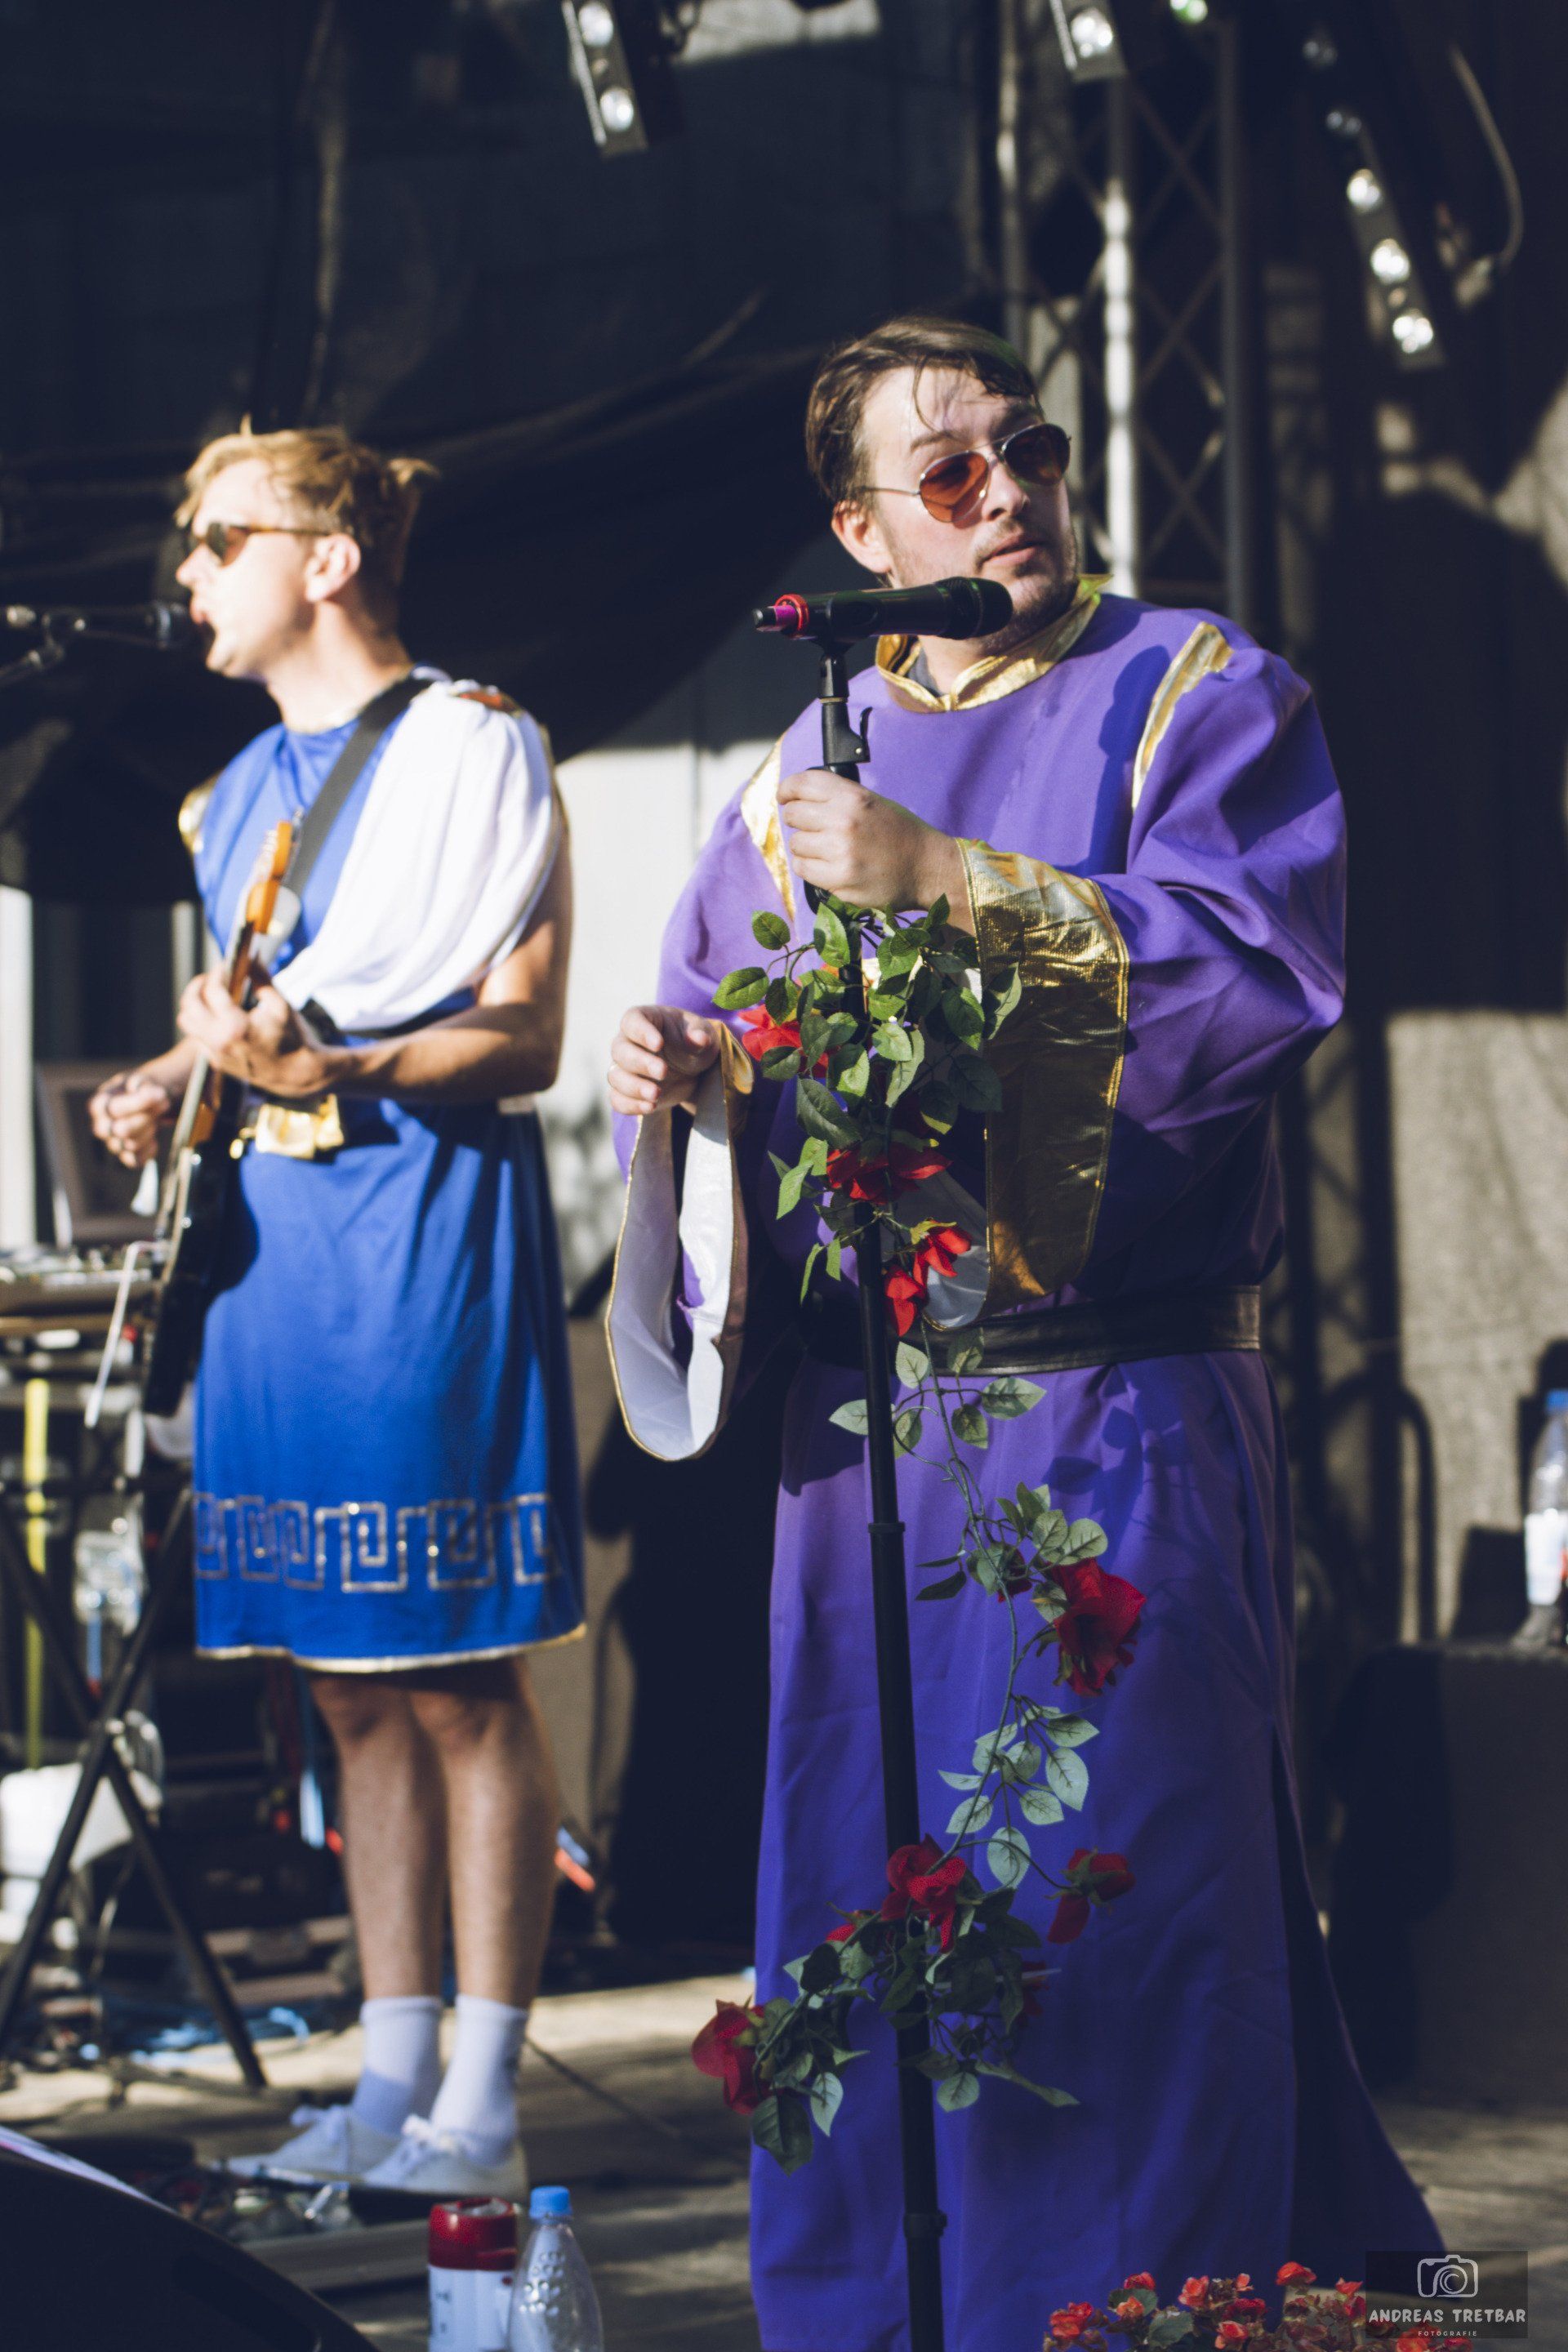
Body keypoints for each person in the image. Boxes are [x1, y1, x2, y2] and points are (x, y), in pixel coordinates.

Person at [606, 314, 1445, 2350]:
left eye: (1036, 450)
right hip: (872, 1451)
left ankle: (1121, 2308)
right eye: (957, 471)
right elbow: (751, 1030)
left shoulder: (1193, 694)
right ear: (862, 531)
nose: (1016, 494)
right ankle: (884, 2310)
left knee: (1123, 1895)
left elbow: (1252, 980)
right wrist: (694, 1075)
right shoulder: (806, 764)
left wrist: (956, 882)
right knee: (868, 1877)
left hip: (1118, 1401)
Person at [90, 425, 582, 2199]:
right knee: (345, 1690)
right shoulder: (227, 795)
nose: (189, 573)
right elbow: (256, 1004)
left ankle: (485, 2096)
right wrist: (167, 1080)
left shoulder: (478, 745)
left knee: (450, 1677)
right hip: (277, 1255)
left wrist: (341, 1066)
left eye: (218, 539)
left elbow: (523, 1035)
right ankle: (386, 2085)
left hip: (414, 1231)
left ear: (328, 558)